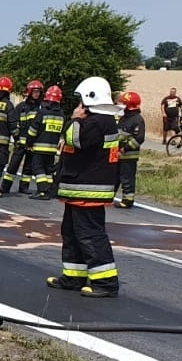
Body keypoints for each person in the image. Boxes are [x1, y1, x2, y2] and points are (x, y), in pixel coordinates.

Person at [45, 77, 121, 297]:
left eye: (80, 102)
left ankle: (105, 283)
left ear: (90, 99)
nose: (78, 106)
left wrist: (74, 119)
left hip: (88, 189)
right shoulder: (101, 120)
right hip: (80, 188)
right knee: (71, 232)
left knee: (90, 235)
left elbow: (73, 138)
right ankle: (73, 277)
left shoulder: (98, 122)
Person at [0, 79, 44, 195]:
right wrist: (16, 138)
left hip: (33, 143)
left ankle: (24, 187)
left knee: (28, 167)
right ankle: (5, 187)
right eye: (35, 91)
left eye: (38, 92)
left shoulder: (41, 108)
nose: (37, 94)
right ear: (29, 92)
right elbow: (14, 122)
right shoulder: (21, 107)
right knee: (13, 165)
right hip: (20, 142)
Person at [26, 85, 66, 200]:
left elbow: (33, 130)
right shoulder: (61, 115)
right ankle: (49, 190)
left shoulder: (42, 112)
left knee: (37, 168)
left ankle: (42, 191)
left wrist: (29, 143)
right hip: (52, 149)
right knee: (48, 170)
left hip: (39, 147)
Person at [114, 91, 145, 208]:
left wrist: (124, 149)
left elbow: (139, 138)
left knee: (127, 178)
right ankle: (109, 197)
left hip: (128, 155)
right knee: (114, 176)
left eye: (124, 103)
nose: (121, 105)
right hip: (117, 154)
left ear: (129, 105)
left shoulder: (137, 119)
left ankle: (127, 201)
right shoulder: (123, 118)